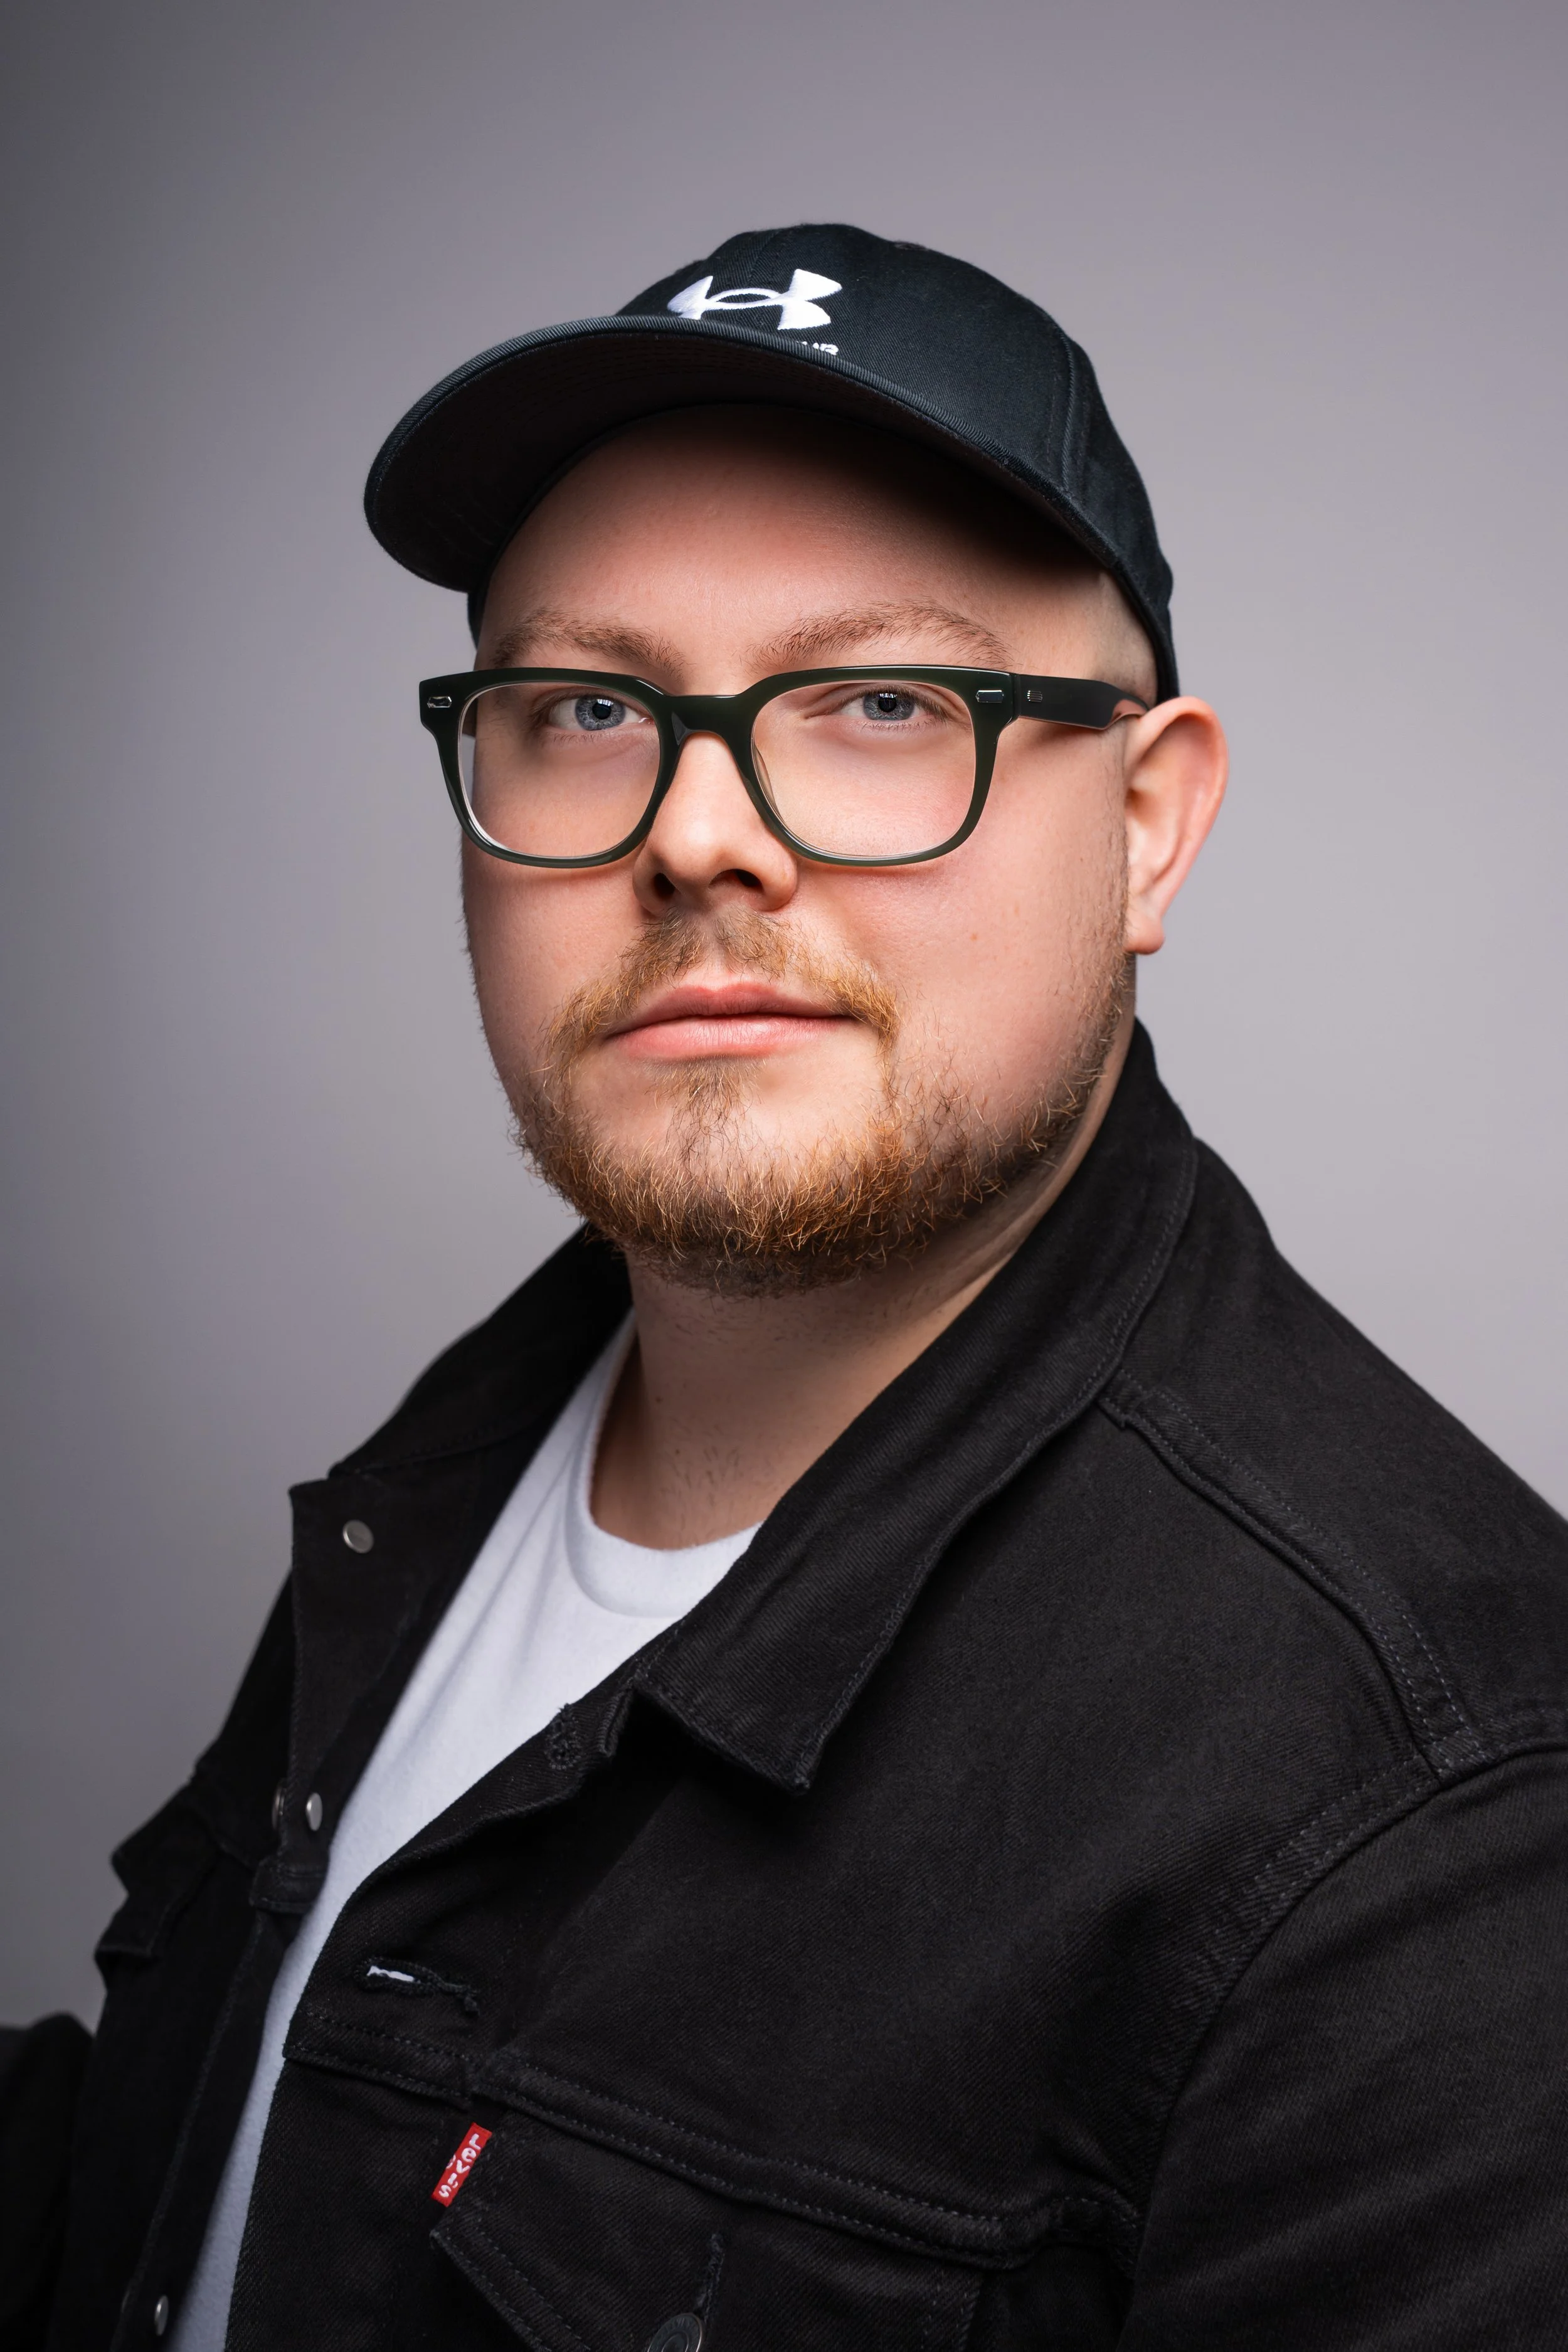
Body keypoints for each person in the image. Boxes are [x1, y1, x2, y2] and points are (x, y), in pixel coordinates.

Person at [32, 225, 1568, 2350]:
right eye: (586, 707)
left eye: (877, 703)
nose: (696, 833)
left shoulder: (1431, 1832)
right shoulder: (446, 1478)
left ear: (1147, 825)